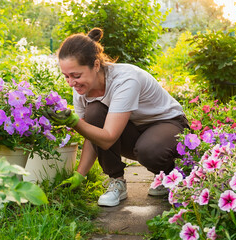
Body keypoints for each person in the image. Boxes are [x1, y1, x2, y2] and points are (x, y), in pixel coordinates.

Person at [45, 27, 189, 207]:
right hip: (134, 128)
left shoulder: (125, 80)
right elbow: (92, 134)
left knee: (149, 151)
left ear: (96, 65)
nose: (71, 83)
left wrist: (74, 123)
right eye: (66, 76)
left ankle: (171, 174)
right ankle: (117, 182)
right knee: (95, 111)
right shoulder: (82, 88)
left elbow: (107, 138)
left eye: (76, 75)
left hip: (168, 124)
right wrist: (79, 175)